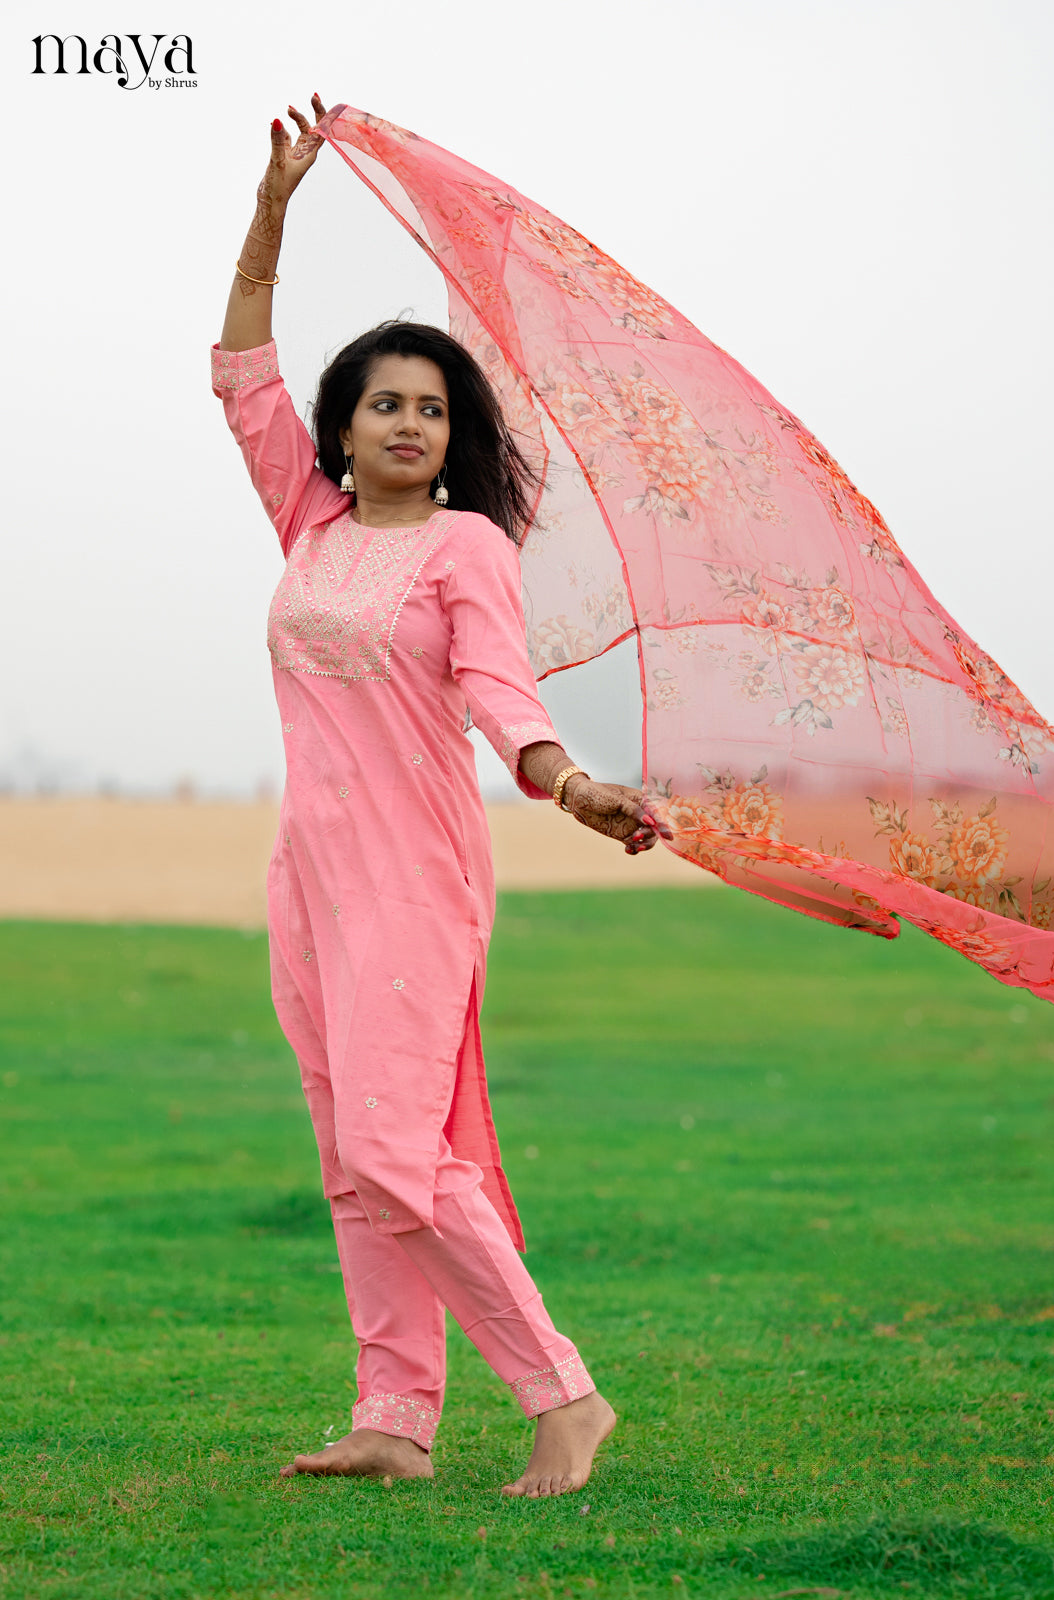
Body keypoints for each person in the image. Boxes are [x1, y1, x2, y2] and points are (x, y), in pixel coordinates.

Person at [213, 95, 668, 1497]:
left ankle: (563, 1395)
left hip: (418, 878)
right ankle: (396, 1419)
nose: (409, 420)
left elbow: (500, 691)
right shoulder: (312, 522)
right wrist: (276, 209)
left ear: (450, 432)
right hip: (311, 877)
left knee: (396, 1150)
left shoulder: (469, 544)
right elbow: (238, 368)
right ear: (343, 429)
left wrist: (568, 782)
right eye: (385, 402)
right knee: (350, 1163)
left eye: (431, 406)